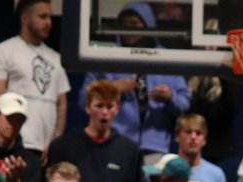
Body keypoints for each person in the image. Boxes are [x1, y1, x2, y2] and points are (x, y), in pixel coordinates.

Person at [81, 4, 190, 159]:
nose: (129, 29)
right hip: (115, 144)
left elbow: (184, 104)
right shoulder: (106, 59)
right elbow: (83, 99)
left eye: (134, 24)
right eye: (124, 25)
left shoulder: (167, 59)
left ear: (148, 26)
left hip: (154, 147)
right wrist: (111, 89)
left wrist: (170, 97)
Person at [0, 0, 70, 170]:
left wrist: (54, 142)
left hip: (45, 149)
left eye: (50, 17)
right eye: (42, 17)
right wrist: (12, 140)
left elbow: (61, 104)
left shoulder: (56, 59)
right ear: (25, 18)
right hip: (15, 146)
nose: (49, 23)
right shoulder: (2, 52)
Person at [47, 79, 142, 182]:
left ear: (117, 109)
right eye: (99, 106)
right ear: (87, 108)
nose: (104, 112)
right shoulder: (63, 146)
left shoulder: (129, 150)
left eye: (109, 106)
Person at [174, 114, 227, 182]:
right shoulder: (165, 169)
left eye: (198, 133)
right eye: (188, 132)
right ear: (177, 136)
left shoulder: (216, 174)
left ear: (204, 140)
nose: (193, 137)